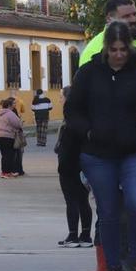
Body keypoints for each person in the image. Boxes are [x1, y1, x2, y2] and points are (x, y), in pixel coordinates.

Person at [65, 21, 136, 271]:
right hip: (98, 155)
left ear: (130, 48)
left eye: (123, 49)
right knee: (107, 213)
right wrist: (89, 132)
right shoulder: (88, 73)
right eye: (114, 49)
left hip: (133, 152)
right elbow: (72, 111)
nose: (119, 54)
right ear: (106, 48)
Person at [55, 85, 93, 248]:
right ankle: (85, 235)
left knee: (71, 201)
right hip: (85, 166)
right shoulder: (86, 118)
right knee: (83, 200)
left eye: (61, 96)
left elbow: (65, 147)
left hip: (70, 167)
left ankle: (72, 235)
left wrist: (62, 166)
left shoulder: (69, 122)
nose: (60, 99)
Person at [0, 99, 23, 179]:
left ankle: (7, 171)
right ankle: (6, 172)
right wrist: (21, 123)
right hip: (7, 136)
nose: (14, 106)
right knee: (9, 154)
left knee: (4, 154)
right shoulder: (10, 113)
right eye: (13, 105)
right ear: (9, 106)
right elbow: (17, 124)